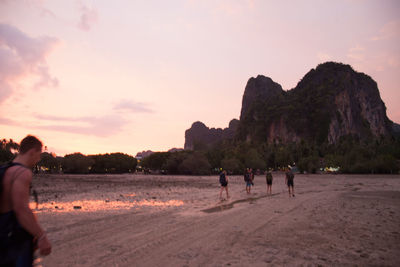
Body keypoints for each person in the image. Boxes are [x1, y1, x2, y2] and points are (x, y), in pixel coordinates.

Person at [0, 135, 52, 266]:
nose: (38, 159)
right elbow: (21, 209)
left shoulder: (5, 169)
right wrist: (41, 236)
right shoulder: (22, 173)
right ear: (32, 152)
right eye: (39, 155)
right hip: (12, 238)